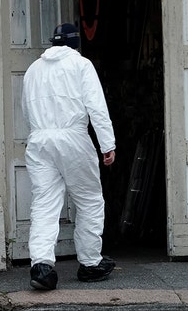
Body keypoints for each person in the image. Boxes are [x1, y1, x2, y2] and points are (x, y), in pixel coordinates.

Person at [21, 23, 116, 290]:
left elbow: (25, 109)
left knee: (44, 204)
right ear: (76, 43)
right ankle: (90, 263)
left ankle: (41, 267)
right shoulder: (81, 65)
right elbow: (97, 107)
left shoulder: (33, 69)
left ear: (53, 43)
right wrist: (107, 144)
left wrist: (38, 134)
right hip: (73, 137)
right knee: (89, 200)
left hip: (39, 139)